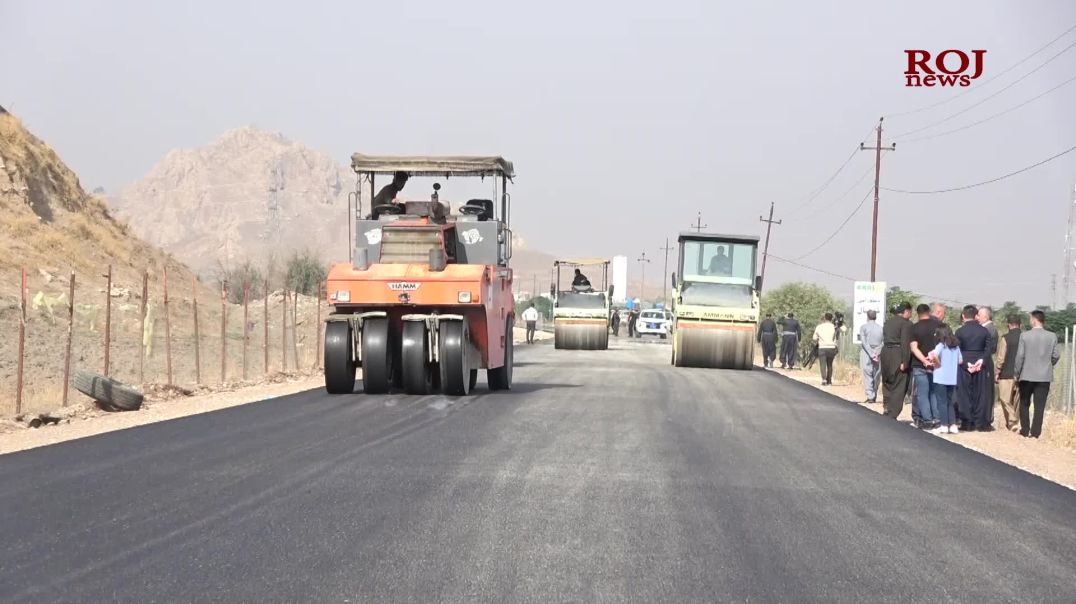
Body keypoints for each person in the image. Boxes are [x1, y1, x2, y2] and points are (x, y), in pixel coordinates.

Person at [1014, 310, 1060, 438]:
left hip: (1027, 375)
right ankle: (1035, 433)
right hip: (1044, 376)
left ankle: (1025, 429)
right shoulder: (1052, 336)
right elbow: (1056, 355)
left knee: (1024, 403)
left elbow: (1020, 357)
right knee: (1040, 406)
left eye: (1030, 319)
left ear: (1034, 320)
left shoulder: (1024, 336)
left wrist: (1016, 372)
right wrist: (1048, 364)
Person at [955, 305, 990, 431]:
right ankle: (979, 423)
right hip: (980, 364)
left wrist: (966, 364)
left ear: (964, 316)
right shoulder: (984, 331)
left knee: (964, 394)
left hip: (964, 363)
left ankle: (967, 422)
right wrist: (981, 361)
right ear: (976, 316)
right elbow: (988, 348)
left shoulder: (960, 331)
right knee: (980, 394)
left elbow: (956, 350)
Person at [908, 303, 942, 429]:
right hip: (937, 364)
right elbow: (943, 345)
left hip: (919, 364)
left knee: (922, 393)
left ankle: (927, 420)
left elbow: (914, 348)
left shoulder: (914, 328)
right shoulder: (939, 326)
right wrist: (934, 359)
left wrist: (924, 361)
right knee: (934, 392)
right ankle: (937, 419)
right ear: (929, 312)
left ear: (918, 314)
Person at [881, 302, 913, 419]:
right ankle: (893, 413)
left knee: (887, 382)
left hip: (885, 353)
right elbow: (905, 343)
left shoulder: (887, 322)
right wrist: (905, 361)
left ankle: (886, 407)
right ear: (906, 311)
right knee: (899, 384)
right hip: (898, 353)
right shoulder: (906, 324)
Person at [929, 324, 963, 435]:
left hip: (940, 377)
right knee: (949, 402)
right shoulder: (956, 347)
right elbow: (960, 361)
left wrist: (937, 363)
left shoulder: (941, 345)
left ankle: (943, 425)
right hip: (952, 378)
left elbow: (934, 356)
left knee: (941, 402)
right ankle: (952, 425)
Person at [994, 314, 1023, 432]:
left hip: (1006, 373)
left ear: (1008, 324)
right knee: (1016, 400)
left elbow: (1001, 357)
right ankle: (1012, 424)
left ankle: (1012, 421)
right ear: (1020, 324)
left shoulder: (1005, 338)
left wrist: (997, 371)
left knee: (1004, 399)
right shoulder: (1025, 337)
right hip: (1021, 373)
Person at [977, 306, 998, 430]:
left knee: (986, 391)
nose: (977, 317)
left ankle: (985, 419)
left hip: (985, 362)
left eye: (979, 315)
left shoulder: (989, 329)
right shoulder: (987, 329)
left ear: (985, 316)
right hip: (983, 361)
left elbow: (990, 348)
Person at [859, 309, 883, 403]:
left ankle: (870, 396)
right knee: (876, 373)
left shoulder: (863, 327)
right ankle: (874, 394)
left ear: (867, 317)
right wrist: (877, 352)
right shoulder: (881, 328)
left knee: (867, 373)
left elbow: (864, 342)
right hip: (878, 352)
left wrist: (871, 353)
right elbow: (883, 342)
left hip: (866, 352)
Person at [813, 313, 838, 385]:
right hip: (831, 347)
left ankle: (824, 379)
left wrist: (819, 339)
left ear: (824, 318)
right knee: (830, 364)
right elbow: (836, 337)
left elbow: (814, 338)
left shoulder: (819, 327)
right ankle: (829, 380)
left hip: (822, 347)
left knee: (822, 364)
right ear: (831, 319)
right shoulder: (834, 327)